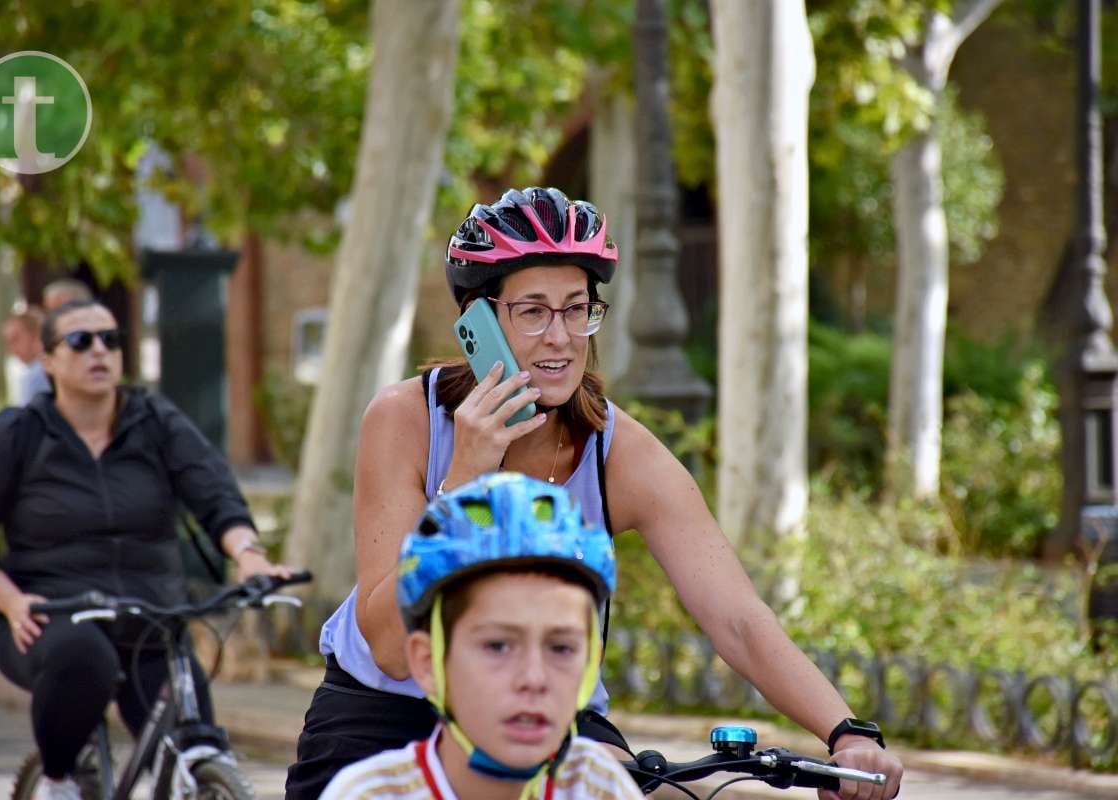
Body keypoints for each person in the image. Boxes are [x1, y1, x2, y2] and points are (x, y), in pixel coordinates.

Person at [285, 186, 902, 800]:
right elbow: (391, 648)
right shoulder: (406, 419)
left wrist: (846, 732)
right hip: (386, 711)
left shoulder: (620, 451)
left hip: (551, 711)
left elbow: (738, 619)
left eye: (575, 308)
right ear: (478, 322)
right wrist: (468, 475)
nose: (559, 336)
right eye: (532, 311)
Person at [0, 298, 292, 800]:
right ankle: (59, 780)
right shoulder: (18, 434)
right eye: (81, 341)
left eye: (111, 339)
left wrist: (249, 555)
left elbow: (214, 494)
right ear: (48, 361)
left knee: (196, 737)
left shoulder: (155, 422)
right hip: (50, 617)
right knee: (85, 659)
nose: (99, 351)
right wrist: (11, 602)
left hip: (151, 618)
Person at [319, 472, 643, 800]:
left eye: (561, 648)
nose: (534, 678)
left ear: (591, 661)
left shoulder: (599, 788)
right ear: (429, 661)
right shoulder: (367, 794)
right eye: (497, 646)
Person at [2, 307, 49, 405]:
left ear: (37, 335)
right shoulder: (29, 373)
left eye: (15, 339)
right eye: (7, 341)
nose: (10, 349)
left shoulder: (40, 373)